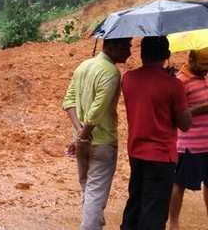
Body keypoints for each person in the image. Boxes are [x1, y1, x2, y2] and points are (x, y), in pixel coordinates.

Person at [120, 36, 192, 230]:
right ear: (167, 55)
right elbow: (185, 124)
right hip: (162, 155)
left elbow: (147, 96)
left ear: (142, 54)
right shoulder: (174, 85)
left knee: (135, 203)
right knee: (154, 210)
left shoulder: (128, 79)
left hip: (136, 151)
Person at [62, 37, 132, 230]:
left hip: (82, 141)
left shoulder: (83, 66)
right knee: (95, 194)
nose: (130, 51)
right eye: (127, 46)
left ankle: (95, 223)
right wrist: (84, 135)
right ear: (112, 46)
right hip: (101, 143)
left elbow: (68, 101)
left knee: (88, 188)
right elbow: (96, 112)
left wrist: (79, 133)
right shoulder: (111, 73)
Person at [168, 48, 208, 230]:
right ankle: (174, 223)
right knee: (179, 184)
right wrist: (201, 108)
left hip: (207, 143)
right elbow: (176, 114)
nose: (206, 68)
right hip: (189, 145)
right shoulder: (180, 81)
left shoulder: (204, 77)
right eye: (204, 64)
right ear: (191, 59)